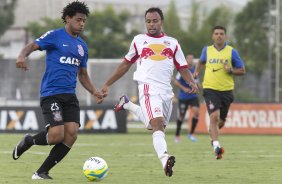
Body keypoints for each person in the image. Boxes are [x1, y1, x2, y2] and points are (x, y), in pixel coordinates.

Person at [100, 7, 199, 177]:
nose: (151, 24)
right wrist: (107, 84)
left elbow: (182, 67)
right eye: (148, 21)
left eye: (155, 21)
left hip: (166, 92)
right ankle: (165, 159)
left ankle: (128, 104)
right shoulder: (139, 40)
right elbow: (125, 64)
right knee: (157, 124)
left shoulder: (173, 43)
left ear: (161, 22)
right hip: (147, 87)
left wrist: (191, 81)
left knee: (153, 126)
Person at [12, 1, 103, 179]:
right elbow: (32, 45)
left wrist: (94, 91)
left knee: (71, 135)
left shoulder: (82, 46)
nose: (82, 23)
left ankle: (41, 172)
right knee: (55, 135)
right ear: (68, 19)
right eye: (78, 20)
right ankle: (28, 141)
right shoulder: (54, 36)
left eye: (84, 21)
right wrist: (22, 55)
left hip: (70, 96)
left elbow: (83, 75)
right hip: (51, 93)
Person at [194, 25, 245, 159]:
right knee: (214, 117)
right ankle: (217, 146)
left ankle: (213, 136)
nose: (219, 36)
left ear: (225, 36)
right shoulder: (207, 50)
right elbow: (200, 62)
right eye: (216, 33)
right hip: (210, 89)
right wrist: (197, 72)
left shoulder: (232, 52)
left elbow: (242, 70)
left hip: (227, 91)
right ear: (212, 36)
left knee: (220, 122)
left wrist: (231, 71)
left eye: (221, 33)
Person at [174, 54, 200, 143]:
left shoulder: (195, 71)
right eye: (188, 58)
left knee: (196, 112)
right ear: (185, 59)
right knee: (181, 116)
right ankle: (177, 135)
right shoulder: (182, 70)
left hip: (193, 96)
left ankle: (191, 134)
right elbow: (176, 82)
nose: (190, 60)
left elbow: (197, 83)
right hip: (183, 96)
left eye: (192, 58)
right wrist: (184, 88)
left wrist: (198, 86)